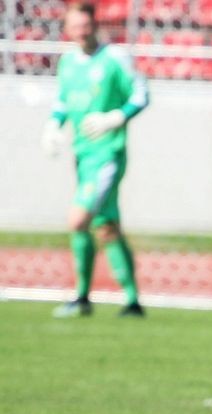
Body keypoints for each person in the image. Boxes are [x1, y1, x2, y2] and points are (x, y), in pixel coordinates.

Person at [41, 1, 147, 318]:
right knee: (106, 226)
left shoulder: (114, 58)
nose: (81, 31)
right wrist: (52, 125)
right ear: (67, 30)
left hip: (108, 154)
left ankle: (81, 296)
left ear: (95, 25)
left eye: (86, 25)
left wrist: (117, 116)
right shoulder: (68, 63)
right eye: (75, 26)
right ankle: (131, 302)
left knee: (78, 219)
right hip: (83, 155)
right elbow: (63, 99)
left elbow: (141, 93)